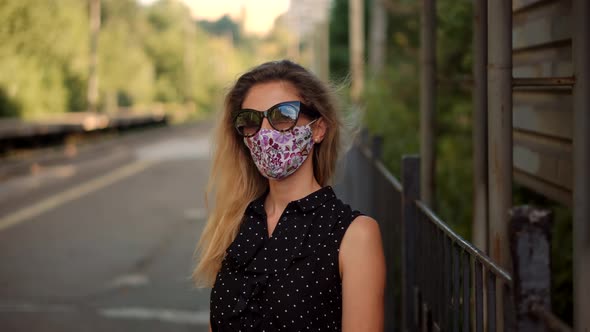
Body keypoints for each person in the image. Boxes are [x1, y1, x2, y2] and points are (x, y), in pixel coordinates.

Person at [193, 60, 385, 332]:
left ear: (318, 129)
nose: (265, 133)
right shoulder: (235, 224)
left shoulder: (354, 235)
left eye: (283, 116)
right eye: (250, 120)